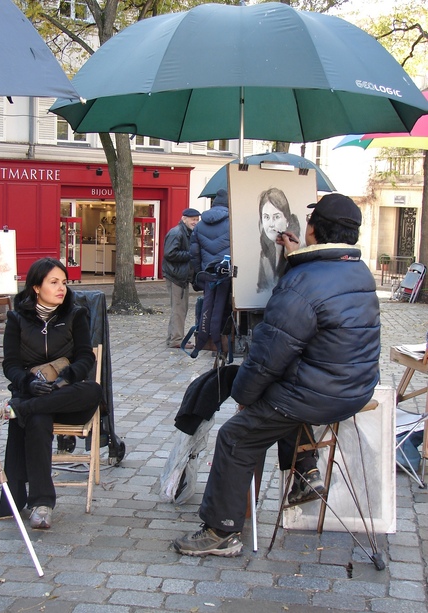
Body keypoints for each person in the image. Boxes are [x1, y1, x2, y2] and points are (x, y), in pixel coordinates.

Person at [173, 193, 380, 557]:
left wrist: (242, 395)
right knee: (282, 402)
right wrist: (295, 258)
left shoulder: (302, 284)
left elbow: (269, 357)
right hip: (356, 388)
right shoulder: (356, 270)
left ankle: (221, 532)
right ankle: (305, 474)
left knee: (237, 436)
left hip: (319, 394)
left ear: (312, 230)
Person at [0, 257, 102, 529]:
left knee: (94, 390)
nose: (61, 288)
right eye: (54, 282)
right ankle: (42, 503)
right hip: (33, 393)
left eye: (64, 282)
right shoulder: (16, 319)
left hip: (67, 396)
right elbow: (11, 365)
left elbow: (86, 358)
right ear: (36, 287)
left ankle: (17, 410)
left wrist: (66, 378)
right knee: (38, 420)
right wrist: (28, 383)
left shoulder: (75, 315)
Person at [190, 189, 231, 357]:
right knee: (223, 307)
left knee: (208, 305)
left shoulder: (200, 224)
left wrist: (200, 271)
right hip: (226, 274)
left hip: (208, 274)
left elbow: (194, 254)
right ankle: (220, 345)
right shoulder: (232, 222)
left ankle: (202, 342)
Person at [162, 208, 200, 349]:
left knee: (179, 309)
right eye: (193, 219)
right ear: (184, 219)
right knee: (179, 309)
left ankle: (173, 337)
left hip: (179, 275)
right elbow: (169, 254)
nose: (195, 222)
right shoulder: (177, 232)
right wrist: (190, 254)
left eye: (197, 219)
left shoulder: (185, 232)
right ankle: (176, 340)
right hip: (176, 276)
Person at [257, 187, 300, 292]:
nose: (271, 224)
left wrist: (293, 257)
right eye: (266, 217)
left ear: (287, 220)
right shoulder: (264, 253)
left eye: (276, 217)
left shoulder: (299, 249)